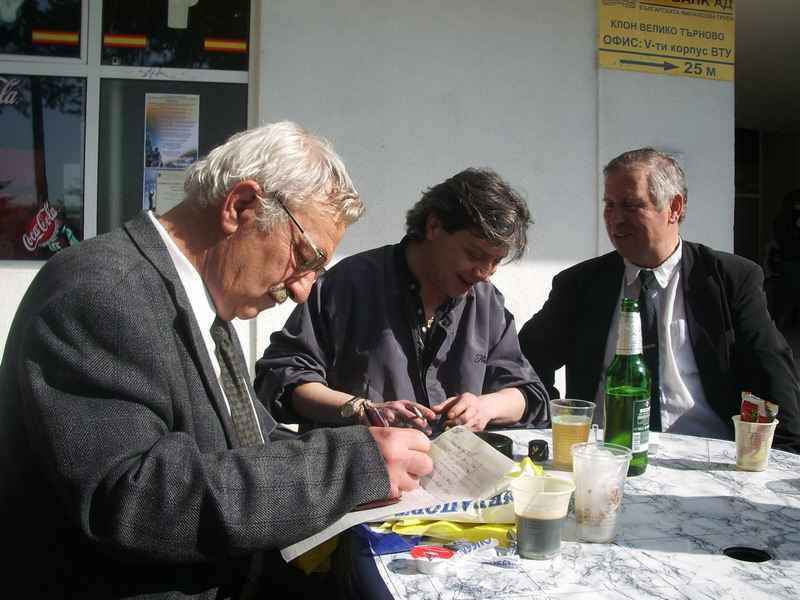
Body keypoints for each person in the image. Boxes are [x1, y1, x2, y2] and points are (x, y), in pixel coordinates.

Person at [0, 121, 433, 598]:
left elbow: (247, 439)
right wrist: (350, 465)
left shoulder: (202, 304)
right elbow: (134, 501)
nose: (301, 290)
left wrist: (366, 448)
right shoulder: (101, 293)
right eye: (304, 257)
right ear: (241, 207)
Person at [518, 147, 800, 453]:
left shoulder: (729, 280)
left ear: (674, 207)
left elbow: (772, 377)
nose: (615, 219)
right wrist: (553, 419)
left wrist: (781, 458)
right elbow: (526, 360)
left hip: (704, 455)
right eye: (609, 205)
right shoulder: (580, 284)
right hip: (608, 455)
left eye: (631, 205)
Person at [255, 168, 548, 435]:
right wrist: (362, 410)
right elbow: (280, 380)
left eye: (496, 262)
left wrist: (486, 407)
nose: (484, 274)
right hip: (364, 470)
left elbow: (528, 394)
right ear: (434, 226)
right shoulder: (348, 283)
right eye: (475, 255)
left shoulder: (486, 302)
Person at [771, 188, 800, 330]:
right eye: (797, 204)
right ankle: (774, 331)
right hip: (790, 263)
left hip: (793, 262)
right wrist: (795, 227)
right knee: (787, 299)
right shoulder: (783, 220)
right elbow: (784, 241)